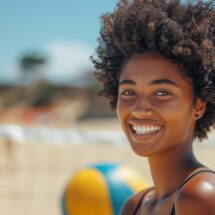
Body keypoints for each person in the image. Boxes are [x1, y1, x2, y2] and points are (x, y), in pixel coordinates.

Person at [91, 0, 215, 214]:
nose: (139, 110)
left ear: (198, 106)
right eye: (128, 92)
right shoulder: (134, 206)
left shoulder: (200, 196)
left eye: (162, 93)